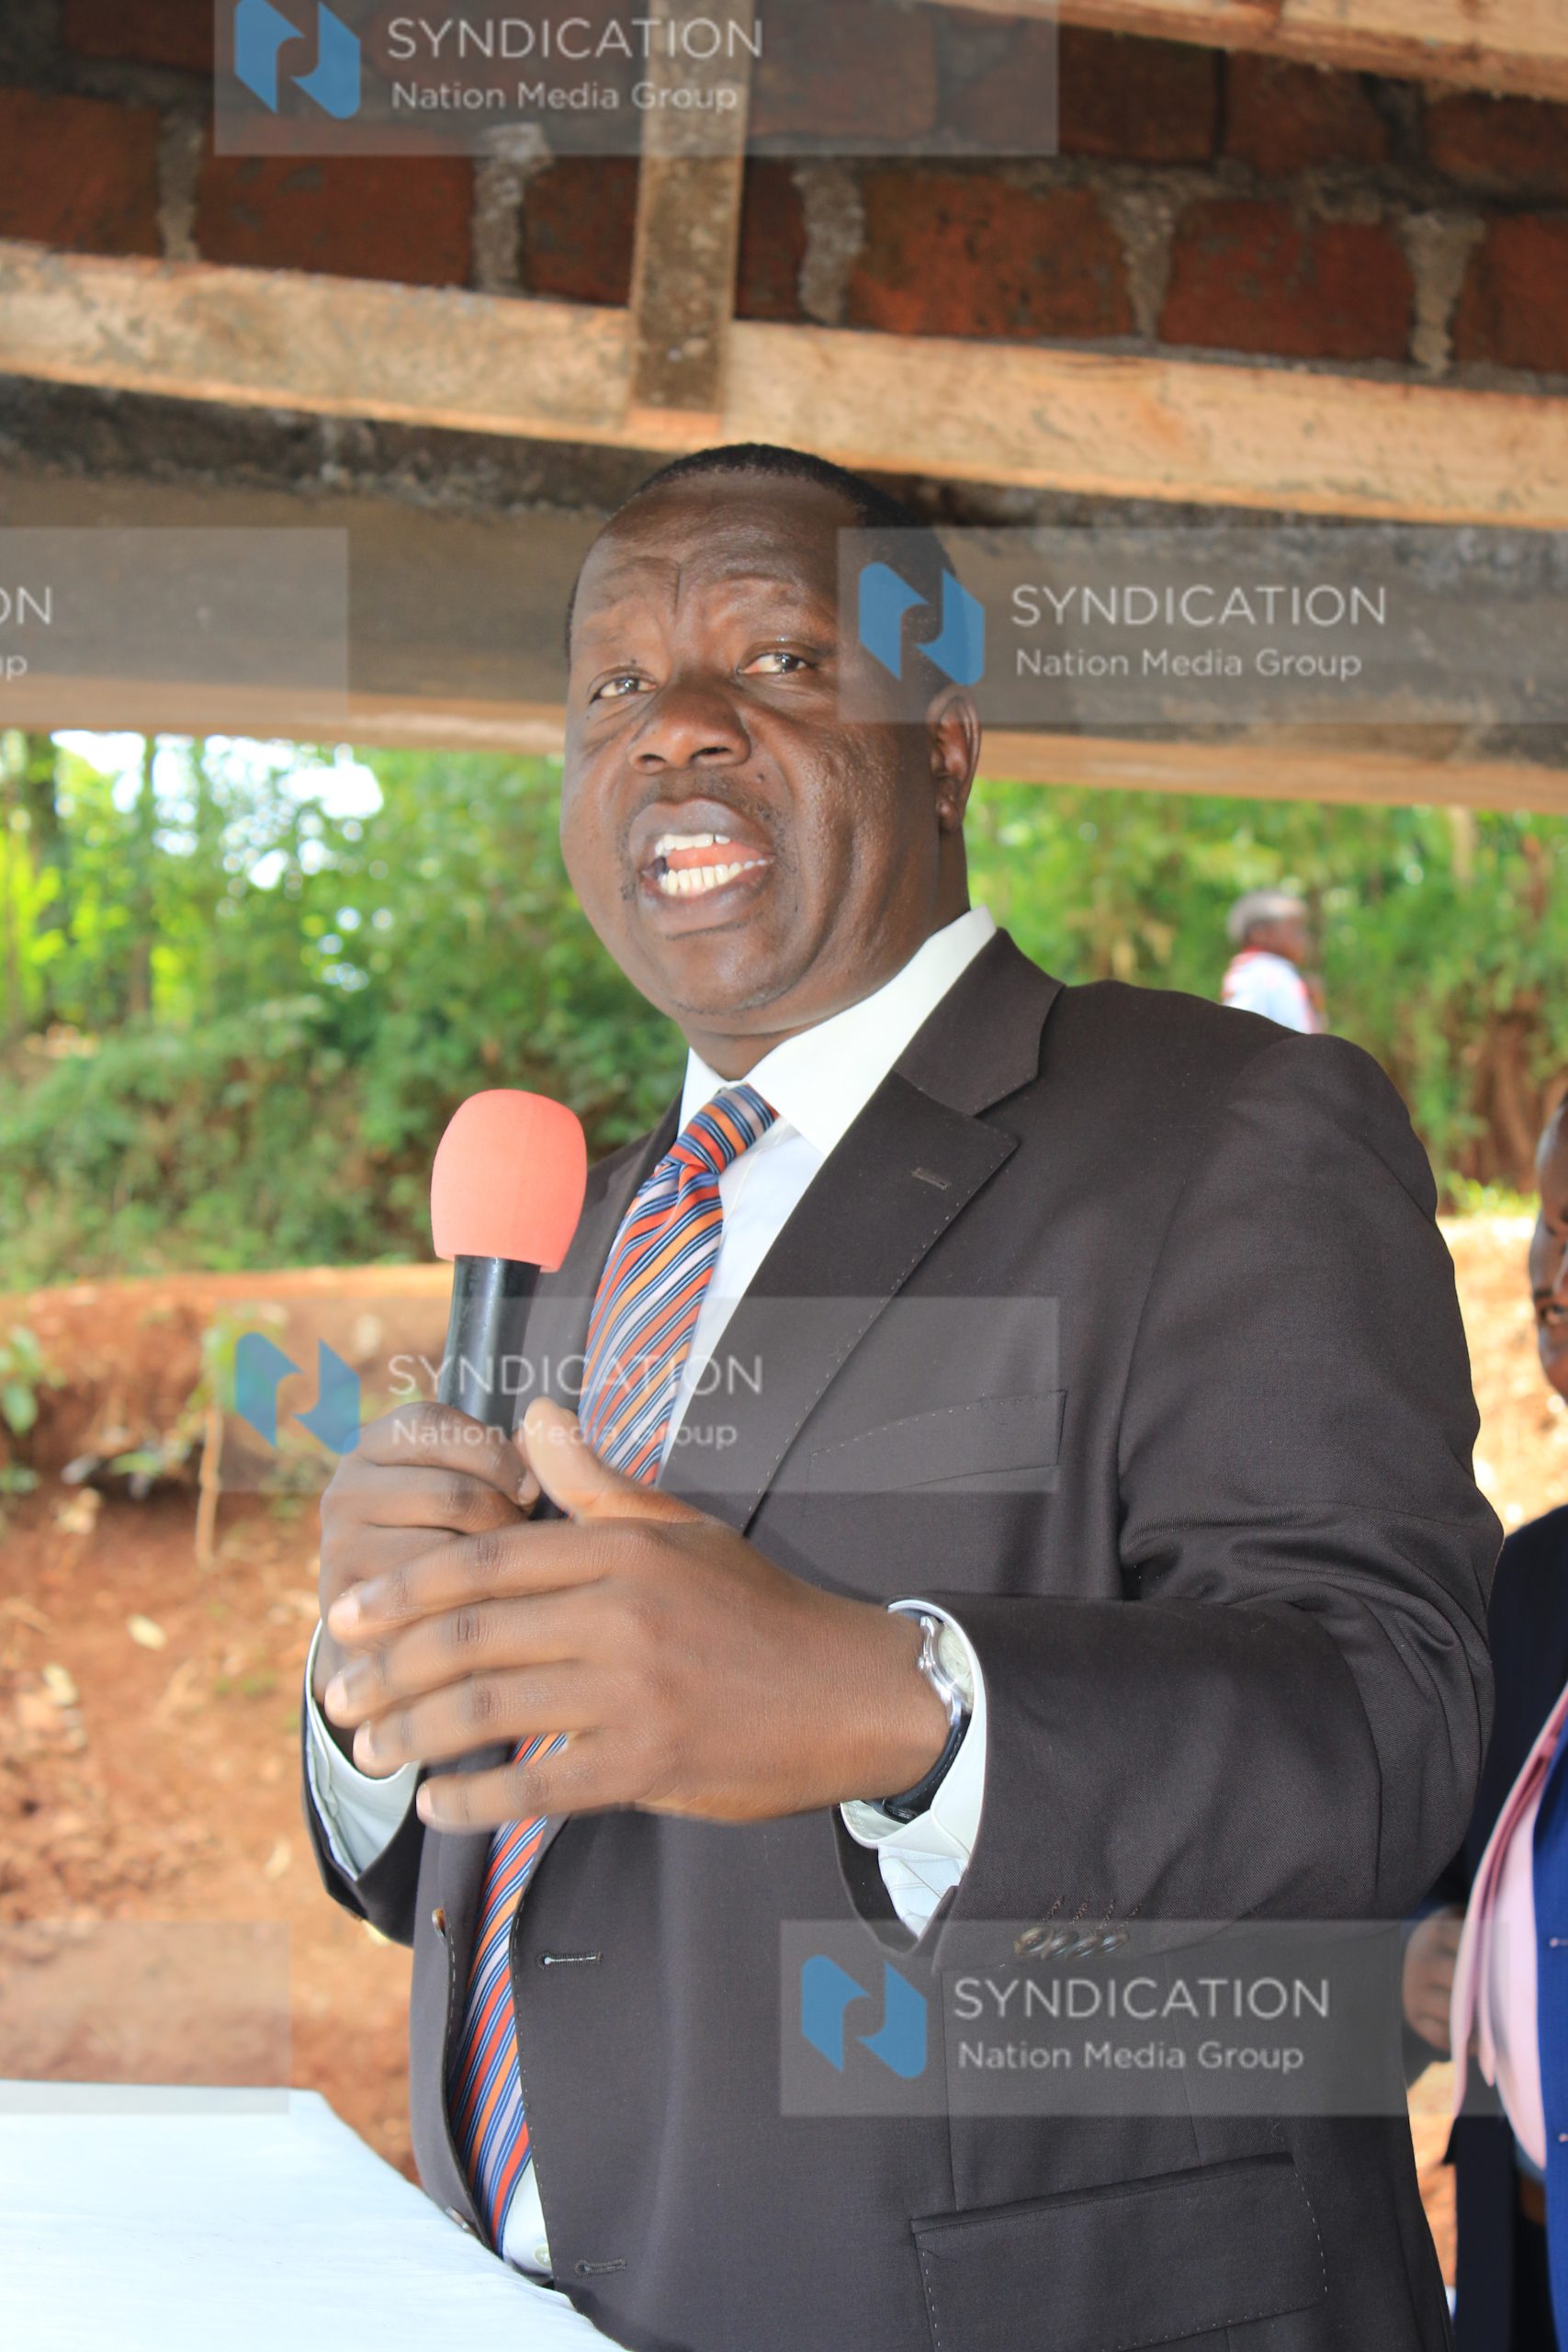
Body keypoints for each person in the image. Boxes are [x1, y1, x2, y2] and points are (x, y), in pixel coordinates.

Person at [300, 443, 1496, 2351]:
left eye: (772, 659)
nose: (671, 726)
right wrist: (372, 1694)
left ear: (941, 738)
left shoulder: (1227, 1129)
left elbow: (1391, 1725)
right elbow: (483, 1860)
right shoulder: (573, 1228)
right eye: (609, 687)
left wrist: (889, 1695)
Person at [1405, 1098, 1568, 2351]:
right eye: (1548, 1240)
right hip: (1521, 2276)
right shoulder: (1529, 1582)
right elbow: (1452, 1878)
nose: (1551, 1280)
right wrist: (1419, 1962)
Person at [1221, 888, 1323, 1032]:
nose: (1304, 937)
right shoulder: (1262, 976)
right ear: (1260, 934)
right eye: (1295, 928)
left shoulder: (1275, 974)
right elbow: (1240, 1031)